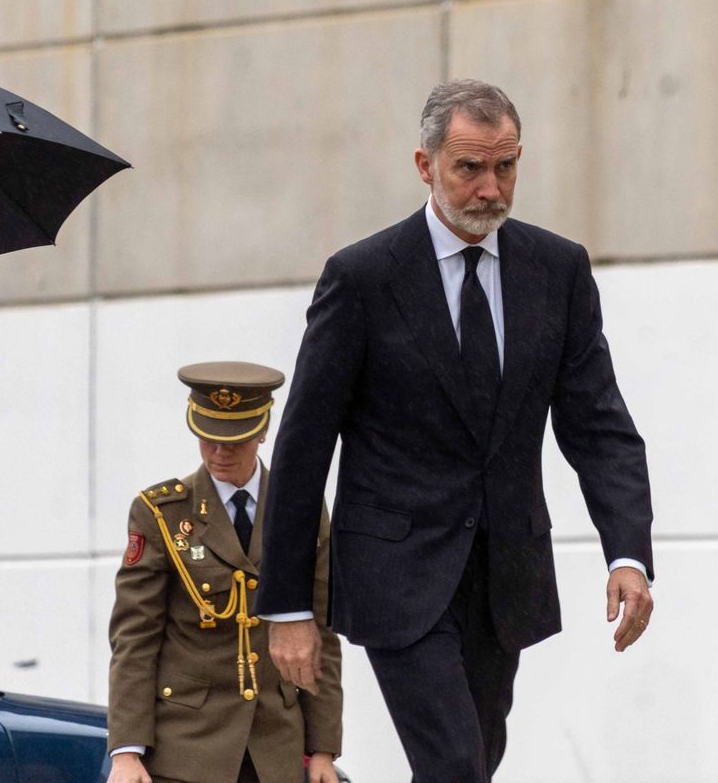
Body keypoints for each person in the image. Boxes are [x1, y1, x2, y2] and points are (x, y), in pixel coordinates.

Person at [257, 80, 656, 782]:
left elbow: (599, 424)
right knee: (453, 764)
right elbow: (303, 445)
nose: (490, 189)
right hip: (396, 572)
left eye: (505, 166)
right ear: (426, 165)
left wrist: (628, 554)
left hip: (505, 573)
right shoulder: (362, 278)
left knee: (475, 761)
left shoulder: (558, 270)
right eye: (469, 167)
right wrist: (288, 605)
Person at [107, 361, 342, 783]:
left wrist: (322, 749)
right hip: (187, 749)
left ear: (262, 430)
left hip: (275, 749)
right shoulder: (160, 513)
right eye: (209, 438)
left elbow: (320, 634)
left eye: (234, 440)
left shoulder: (300, 508)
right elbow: (135, 638)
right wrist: (127, 751)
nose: (219, 452)